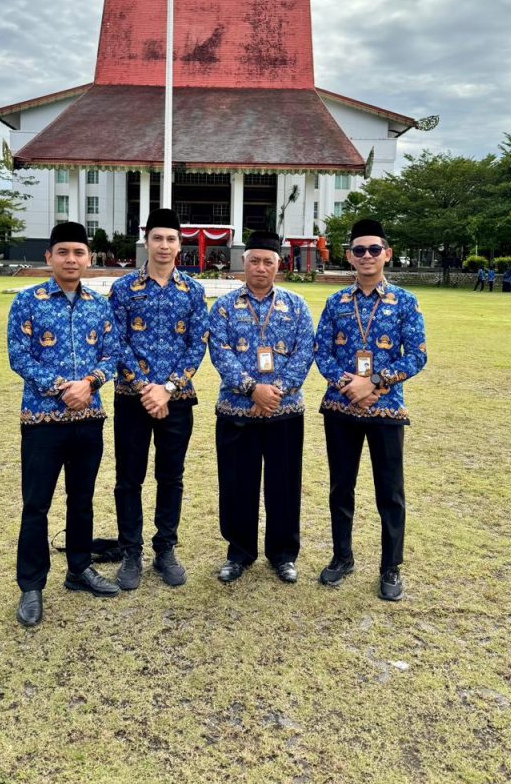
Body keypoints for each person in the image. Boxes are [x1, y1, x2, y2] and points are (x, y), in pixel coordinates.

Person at [7, 221, 121, 627]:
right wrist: (61, 388)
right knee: (36, 504)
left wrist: (89, 384)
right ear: (49, 257)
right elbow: (19, 356)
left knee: (82, 498)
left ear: (88, 258)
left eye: (78, 253)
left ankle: (79, 568)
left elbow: (111, 354)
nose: (71, 260)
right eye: (63, 252)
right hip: (42, 420)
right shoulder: (28, 301)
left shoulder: (99, 304)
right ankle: (31, 585)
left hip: (88, 418)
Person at [314, 218, 427, 601]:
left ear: (387, 254)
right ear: (349, 256)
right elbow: (321, 352)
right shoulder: (336, 302)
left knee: (390, 492)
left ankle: (390, 566)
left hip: (386, 408)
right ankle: (342, 557)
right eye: (359, 250)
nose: (367, 256)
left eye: (374, 249)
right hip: (341, 407)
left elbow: (417, 355)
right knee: (340, 488)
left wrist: (375, 383)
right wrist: (350, 386)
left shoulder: (405, 301)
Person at [108, 208, 209, 590]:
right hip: (131, 397)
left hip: (177, 399)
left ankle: (165, 548)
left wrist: (167, 387)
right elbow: (116, 341)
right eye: (157, 238)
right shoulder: (124, 289)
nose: (164, 246)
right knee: (128, 477)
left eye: (170, 239)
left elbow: (197, 343)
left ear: (179, 245)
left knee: (171, 476)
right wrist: (145, 388)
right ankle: (131, 551)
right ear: (146, 241)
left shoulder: (193, 291)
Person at [208, 231, 315, 585]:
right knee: (237, 483)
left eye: (268, 261)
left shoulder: (296, 305)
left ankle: (283, 554)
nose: (260, 267)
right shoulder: (224, 307)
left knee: (284, 484)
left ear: (278, 265)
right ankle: (239, 552)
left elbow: (304, 352)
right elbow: (220, 352)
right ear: (244, 262)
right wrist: (254, 390)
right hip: (237, 410)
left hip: (285, 412)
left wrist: (274, 394)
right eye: (254, 260)